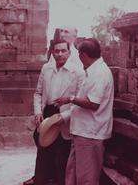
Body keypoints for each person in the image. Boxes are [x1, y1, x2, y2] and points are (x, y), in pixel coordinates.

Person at [24, 37, 85, 185]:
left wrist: (64, 117)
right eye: (56, 51)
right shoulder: (46, 68)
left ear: (69, 52)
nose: (60, 54)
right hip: (47, 114)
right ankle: (39, 180)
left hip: (65, 116)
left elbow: (79, 102)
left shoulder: (78, 73)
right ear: (52, 52)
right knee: (43, 152)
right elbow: (38, 93)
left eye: (63, 51)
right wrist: (38, 112)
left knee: (61, 157)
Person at [55, 38, 114, 185]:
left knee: (87, 179)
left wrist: (71, 99)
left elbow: (93, 103)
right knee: (73, 176)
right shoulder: (92, 71)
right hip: (82, 132)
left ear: (84, 55)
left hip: (90, 133)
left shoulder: (100, 73)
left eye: (79, 54)